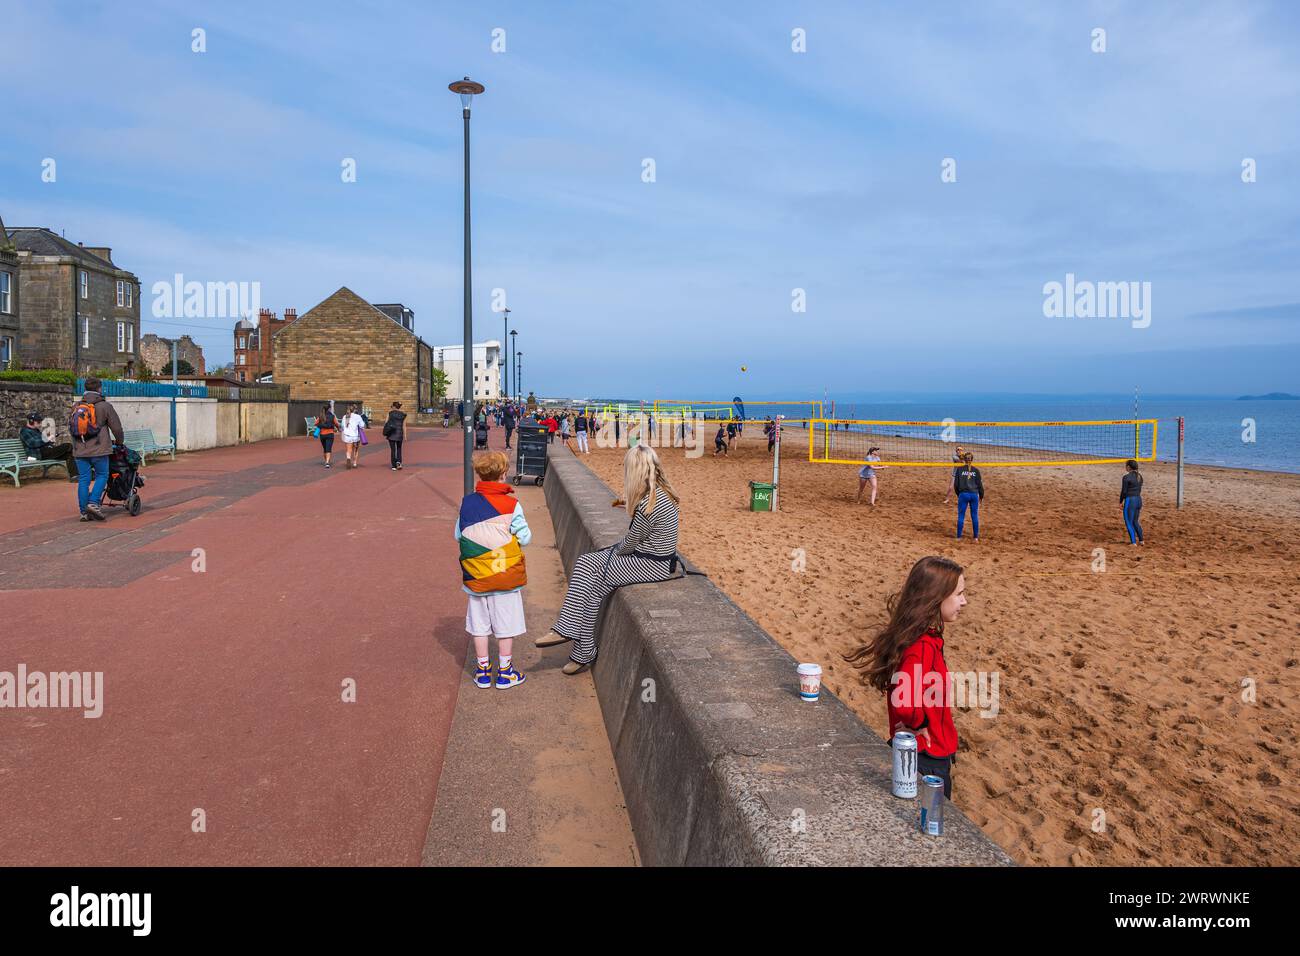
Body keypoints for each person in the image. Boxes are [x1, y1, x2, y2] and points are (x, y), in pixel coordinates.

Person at [536, 445, 680, 674]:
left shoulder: (648, 504)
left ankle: (567, 628)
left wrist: (609, 553)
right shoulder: (659, 494)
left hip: (652, 564)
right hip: (652, 559)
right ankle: (583, 651)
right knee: (594, 585)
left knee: (588, 565)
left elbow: (628, 545)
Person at [843, 555, 966, 798]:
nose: (964, 601)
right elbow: (905, 699)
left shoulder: (921, 638)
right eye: (958, 594)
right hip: (926, 756)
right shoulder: (920, 646)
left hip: (928, 753)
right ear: (936, 598)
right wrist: (918, 724)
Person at [456, 451, 531, 689]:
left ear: (479, 474)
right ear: (503, 474)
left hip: (477, 575)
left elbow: (458, 534)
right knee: (505, 624)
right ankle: (505, 672)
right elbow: (526, 538)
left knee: (479, 625)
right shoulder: (512, 504)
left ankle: (483, 672)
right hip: (504, 573)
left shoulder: (467, 503)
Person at [69, 377, 125, 521]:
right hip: (99, 449)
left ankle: (83, 512)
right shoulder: (104, 406)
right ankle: (93, 503)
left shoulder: (76, 406)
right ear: (99, 389)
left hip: (79, 450)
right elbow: (117, 428)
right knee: (102, 475)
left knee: (84, 479)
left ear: (85, 389)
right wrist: (119, 442)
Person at [20, 411, 76, 482]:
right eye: (38, 422)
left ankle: (74, 476)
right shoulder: (24, 431)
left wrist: (50, 441)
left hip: (47, 451)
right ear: (31, 421)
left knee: (69, 454)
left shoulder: (36, 430)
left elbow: (43, 441)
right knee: (68, 446)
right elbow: (32, 443)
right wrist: (47, 439)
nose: (40, 424)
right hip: (39, 454)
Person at [945, 452, 984, 540]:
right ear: (972, 460)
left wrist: (959, 494)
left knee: (961, 515)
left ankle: (958, 537)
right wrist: (981, 496)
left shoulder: (959, 469)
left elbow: (956, 485)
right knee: (974, 515)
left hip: (963, 494)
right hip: (974, 495)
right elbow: (980, 485)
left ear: (964, 460)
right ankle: (975, 538)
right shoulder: (976, 470)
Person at [1121, 459, 1144, 546]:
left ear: (1128, 467)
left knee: (1128, 522)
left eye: (1126, 465)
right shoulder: (1140, 476)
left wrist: (1120, 501)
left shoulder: (1126, 477)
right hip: (1138, 500)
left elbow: (1124, 491)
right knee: (1135, 521)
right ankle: (1141, 540)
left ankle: (1133, 542)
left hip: (1130, 500)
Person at [383, 401, 407, 471]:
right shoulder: (403, 414)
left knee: (393, 450)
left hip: (391, 433)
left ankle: (393, 465)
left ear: (393, 406)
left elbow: (386, 423)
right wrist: (405, 435)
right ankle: (399, 462)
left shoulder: (390, 413)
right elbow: (404, 426)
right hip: (400, 434)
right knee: (399, 449)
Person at [341, 403, 367, 469]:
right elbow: (362, 425)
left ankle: (348, 458)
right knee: (356, 449)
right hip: (355, 436)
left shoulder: (345, 416)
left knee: (348, 450)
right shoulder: (358, 416)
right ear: (354, 410)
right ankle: (355, 463)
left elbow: (342, 426)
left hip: (347, 435)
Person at [316, 403, 337, 468]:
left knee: (325, 449)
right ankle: (327, 462)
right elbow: (336, 423)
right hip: (330, 434)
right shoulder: (332, 416)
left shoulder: (320, 416)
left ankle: (326, 461)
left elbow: (316, 423)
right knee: (328, 448)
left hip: (322, 434)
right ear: (329, 409)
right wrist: (338, 428)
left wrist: (321, 425)